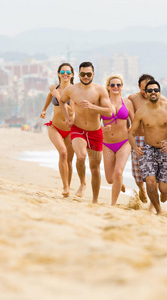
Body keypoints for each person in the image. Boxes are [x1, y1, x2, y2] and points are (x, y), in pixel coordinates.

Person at [59, 61, 113, 203]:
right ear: (79, 74)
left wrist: (93, 107)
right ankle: (82, 183)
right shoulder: (72, 90)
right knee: (81, 157)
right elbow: (61, 101)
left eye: (89, 74)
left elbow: (110, 111)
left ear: (93, 74)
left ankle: (94, 200)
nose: (86, 76)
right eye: (83, 74)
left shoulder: (100, 90)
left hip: (95, 133)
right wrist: (66, 118)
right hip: (78, 130)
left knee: (95, 169)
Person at [129, 80, 167, 215]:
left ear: (159, 92)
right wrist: (135, 147)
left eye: (156, 90)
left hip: (165, 150)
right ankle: (158, 211)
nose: (153, 92)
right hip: (148, 149)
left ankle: (165, 190)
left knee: (163, 189)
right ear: (145, 94)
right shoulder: (141, 111)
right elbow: (131, 133)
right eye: (150, 90)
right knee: (150, 183)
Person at [128, 74, 167, 203]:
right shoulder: (133, 98)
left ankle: (154, 202)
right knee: (138, 173)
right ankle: (141, 189)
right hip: (138, 138)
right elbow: (125, 114)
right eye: (144, 88)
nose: (147, 92)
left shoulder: (162, 100)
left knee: (154, 173)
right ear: (139, 87)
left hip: (154, 139)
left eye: (149, 88)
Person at [40, 63, 75, 197]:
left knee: (70, 161)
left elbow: (71, 111)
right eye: (62, 71)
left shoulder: (74, 91)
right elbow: (50, 95)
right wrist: (44, 109)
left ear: (72, 74)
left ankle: (68, 187)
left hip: (70, 129)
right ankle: (65, 186)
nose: (65, 74)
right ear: (58, 73)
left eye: (68, 72)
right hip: (55, 127)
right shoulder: (53, 88)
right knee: (63, 153)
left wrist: (59, 97)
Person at [101, 75, 134, 205]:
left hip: (124, 142)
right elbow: (95, 123)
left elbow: (135, 120)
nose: (115, 87)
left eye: (118, 85)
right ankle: (119, 182)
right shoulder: (102, 103)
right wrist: (102, 129)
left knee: (118, 172)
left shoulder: (127, 103)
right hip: (107, 144)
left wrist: (132, 128)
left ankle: (113, 204)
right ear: (108, 87)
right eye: (113, 85)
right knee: (110, 179)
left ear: (122, 87)